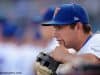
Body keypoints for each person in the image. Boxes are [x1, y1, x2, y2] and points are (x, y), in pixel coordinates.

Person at [42, 3, 100, 74]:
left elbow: (94, 63)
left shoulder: (97, 40)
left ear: (78, 26)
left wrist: (65, 56)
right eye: (55, 28)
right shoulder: (76, 52)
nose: (55, 35)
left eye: (59, 28)